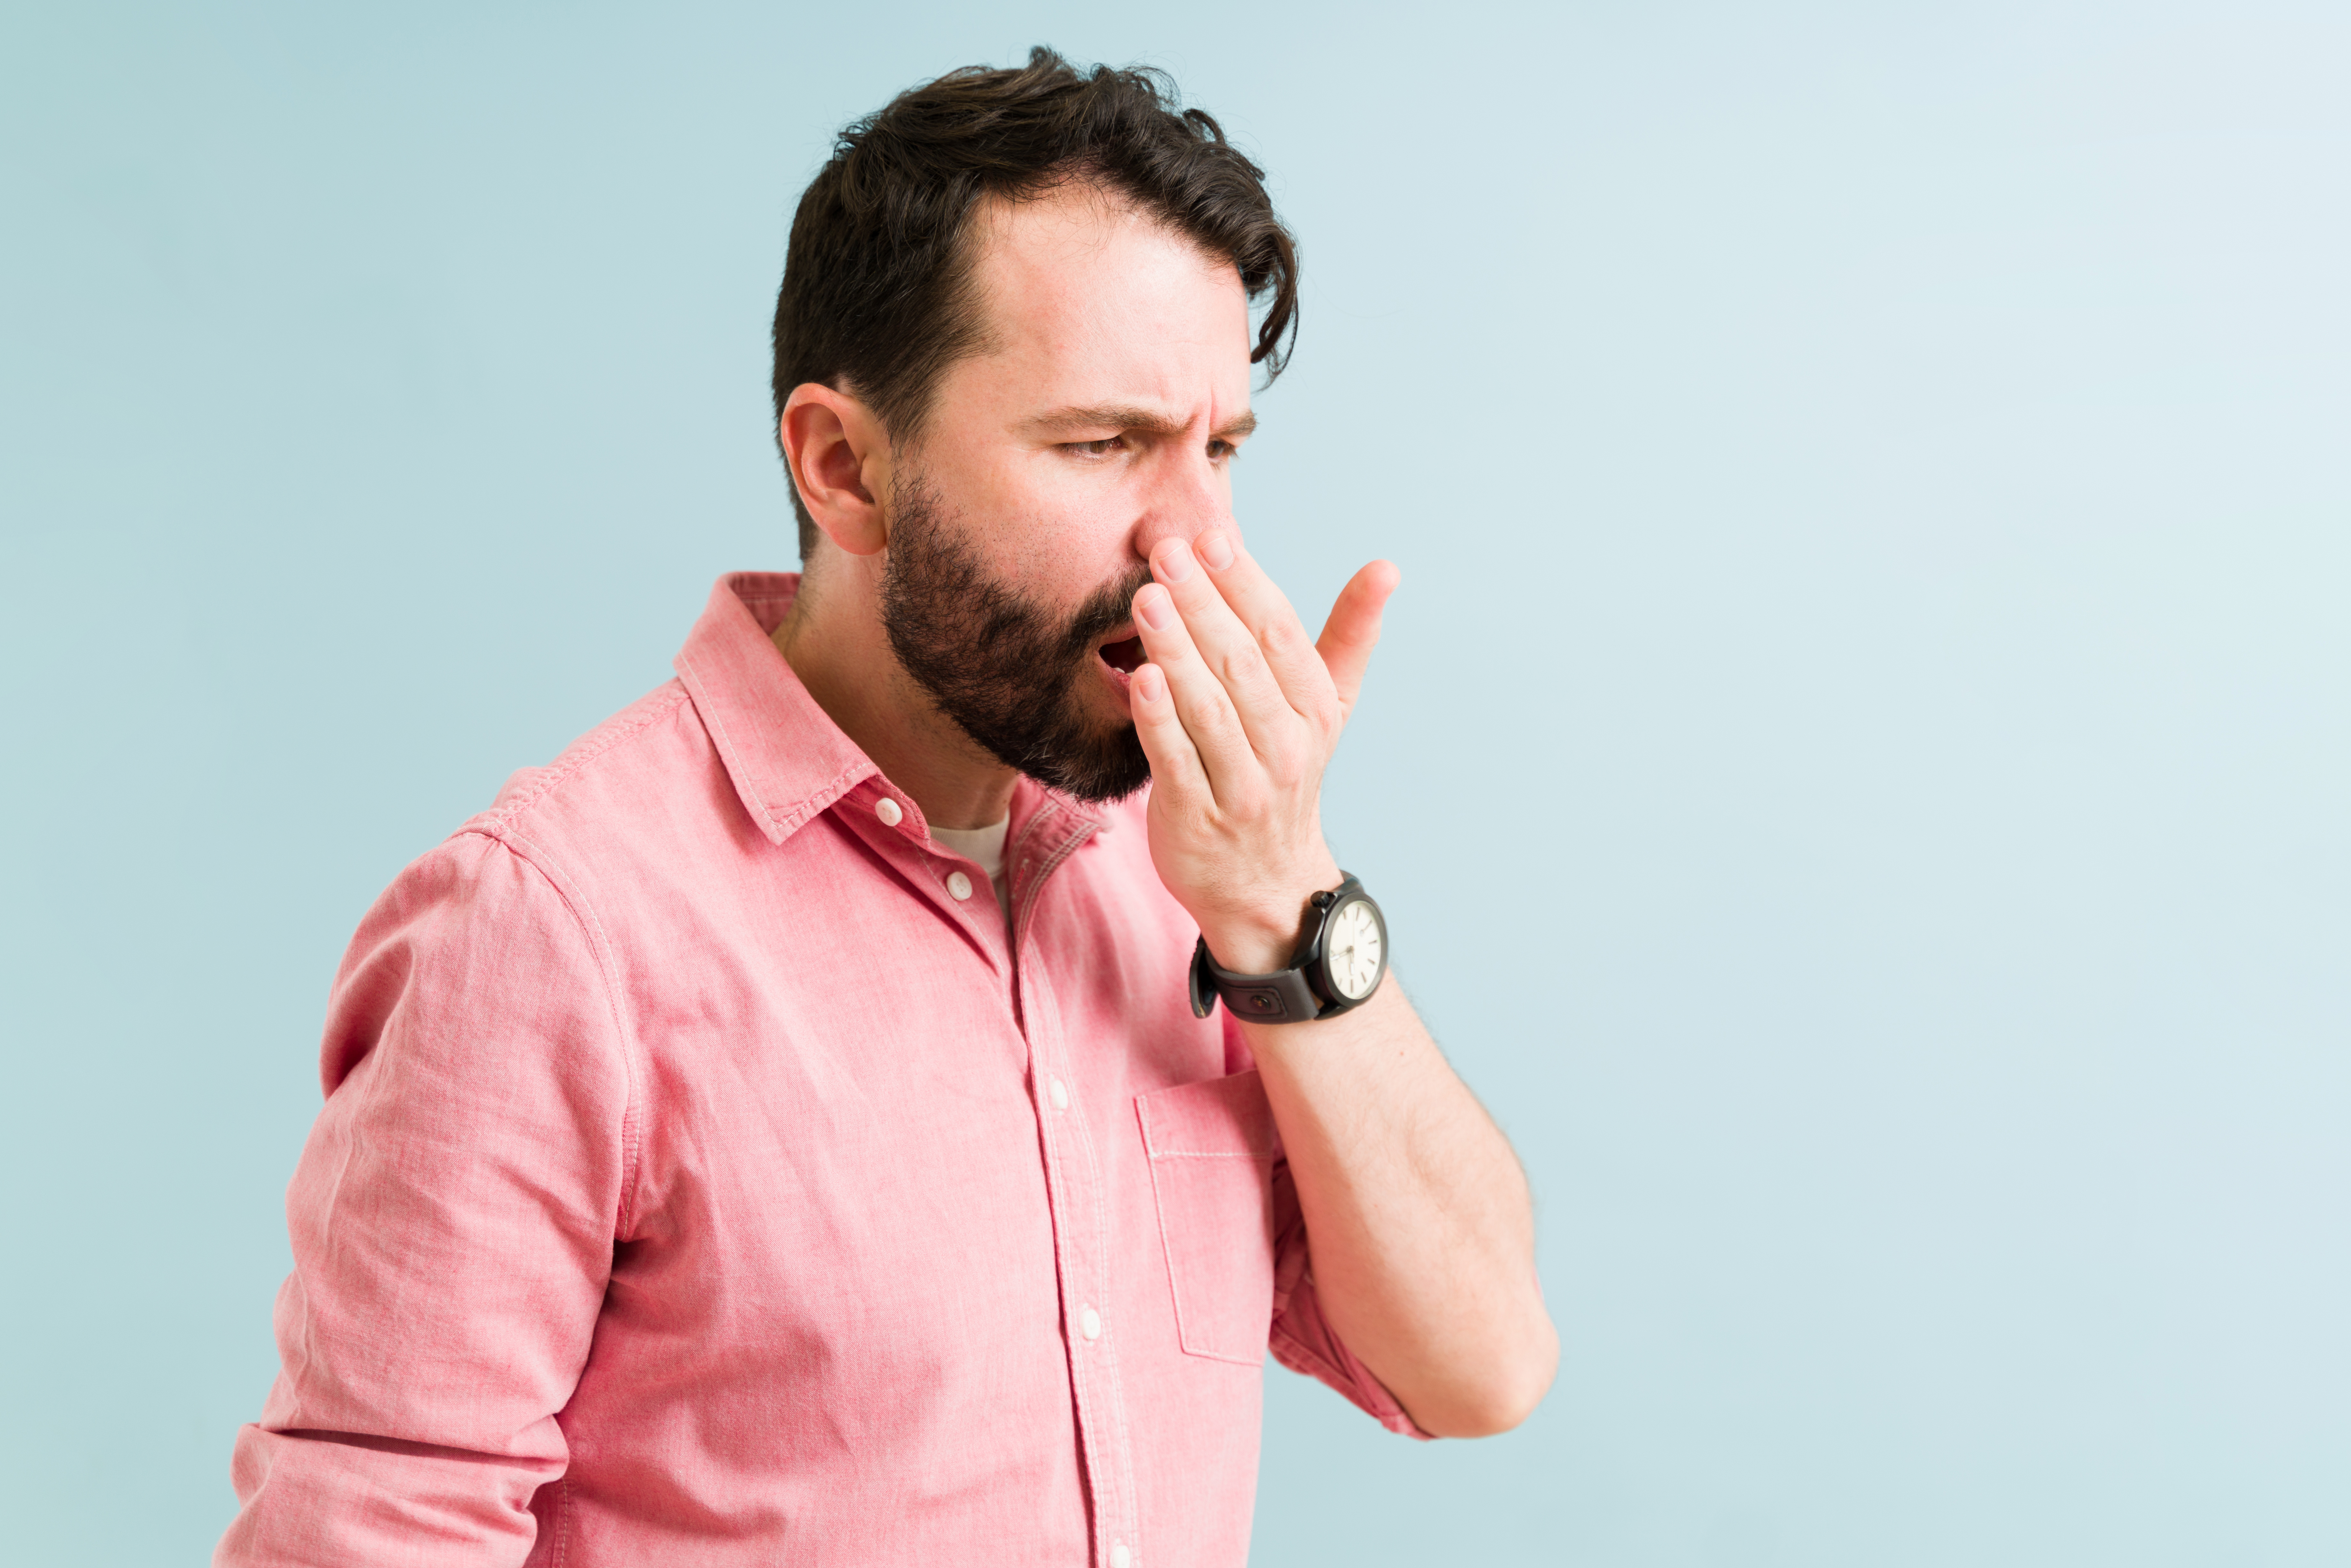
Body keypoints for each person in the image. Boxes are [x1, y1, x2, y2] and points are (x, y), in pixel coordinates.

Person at [216, 47, 1556, 1568]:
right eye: (1101, 444)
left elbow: (1480, 1366)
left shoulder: (1195, 878)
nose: (1196, 548)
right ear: (844, 466)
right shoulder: (549, 931)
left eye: (1220, 452)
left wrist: (1283, 894)